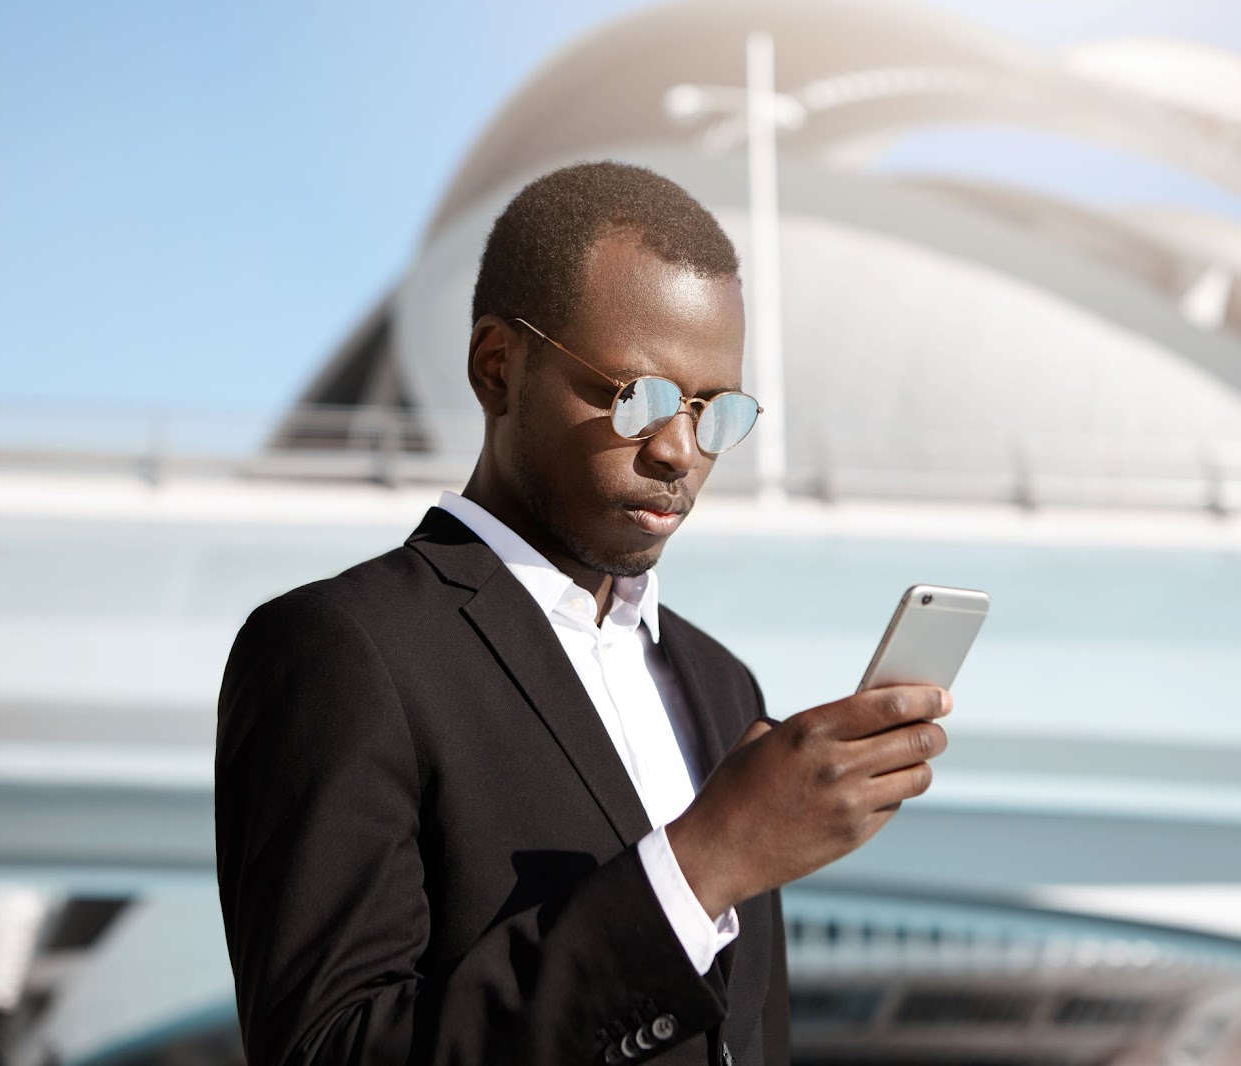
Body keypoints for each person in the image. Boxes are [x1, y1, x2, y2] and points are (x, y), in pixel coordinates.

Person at [214, 161, 951, 1066]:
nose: (681, 450)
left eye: (716, 411)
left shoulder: (724, 686)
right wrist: (704, 862)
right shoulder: (342, 652)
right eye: (635, 398)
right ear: (498, 370)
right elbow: (328, 1053)